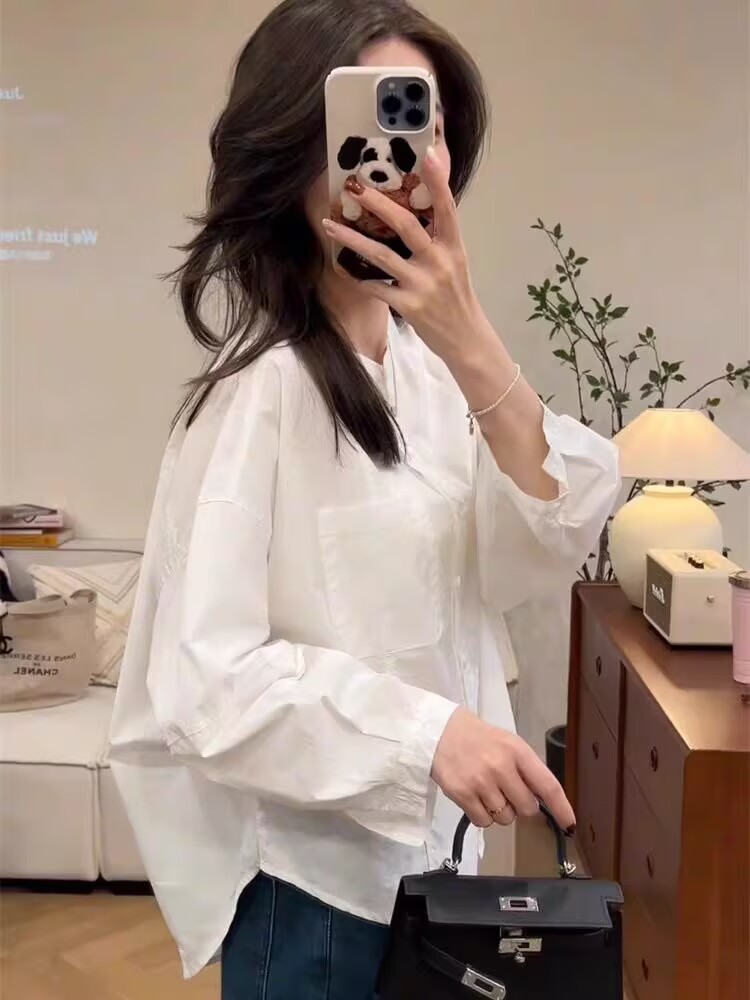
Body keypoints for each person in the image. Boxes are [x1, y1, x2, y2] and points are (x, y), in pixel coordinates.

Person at [109, 1, 620, 997]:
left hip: (438, 874)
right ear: (292, 154)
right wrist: (429, 733)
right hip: (318, 901)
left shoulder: (426, 373)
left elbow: (549, 528)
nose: (402, 163)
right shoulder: (259, 394)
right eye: (366, 128)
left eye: (424, 126)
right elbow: (206, 684)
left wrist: (470, 337)